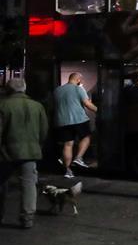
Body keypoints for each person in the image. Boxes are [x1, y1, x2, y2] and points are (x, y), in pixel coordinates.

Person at [0, 78, 48, 229]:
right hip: (31, 151)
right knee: (29, 184)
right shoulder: (37, 106)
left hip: (6, 152)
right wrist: (37, 145)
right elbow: (43, 131)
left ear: (9, 90)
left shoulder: (3, 105)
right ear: (24, 89)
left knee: (2, 184)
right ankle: (27, 218)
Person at [53, 72, 97, 178]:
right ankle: (78, 158)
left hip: (62, 121)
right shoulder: (79, 89)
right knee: (86, 137)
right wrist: (99, 110)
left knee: (68, 144)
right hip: (79, 119)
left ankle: (67, 171)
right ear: (78, 80)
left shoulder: (57, 90)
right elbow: (87, 104)